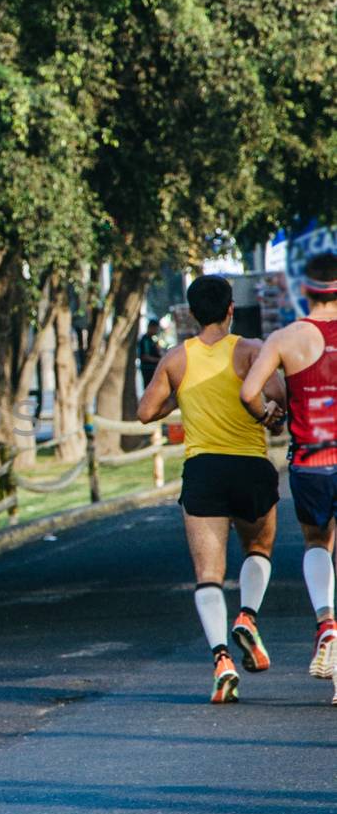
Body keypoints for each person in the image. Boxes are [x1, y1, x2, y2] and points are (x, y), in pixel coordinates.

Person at [137, 274, 284, 703]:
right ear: (230, 309)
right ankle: (249, 616)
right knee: (259, 548)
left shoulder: (176, 359)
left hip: (202, 469)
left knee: (207, 574)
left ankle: (221, 659)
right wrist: (270, 414)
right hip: (249, 464)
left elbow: (145, 412)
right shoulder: (253, 351)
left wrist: (183, 394)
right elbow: (277, 405)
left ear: (190, 313)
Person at [240, 251, 337, 694]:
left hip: (310, 461)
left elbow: (249, 391)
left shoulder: (286, 337)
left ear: (305, 289)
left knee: (318, 542)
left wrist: (270, 416)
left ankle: (326, 621)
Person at [138, 319, 164, 383]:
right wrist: (159, 360)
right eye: (155, 328)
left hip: (153, 369)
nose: (156, 331)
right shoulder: (145, 340)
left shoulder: (153, 340)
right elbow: (145, 356)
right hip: (148, 369)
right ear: (150, 327)